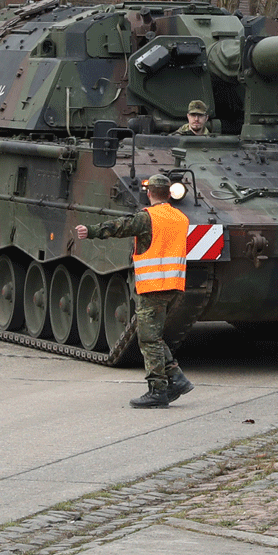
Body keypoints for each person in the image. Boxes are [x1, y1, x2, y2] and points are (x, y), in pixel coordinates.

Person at [75, 174, 193, 408]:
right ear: (169, 194)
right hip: (175, 286)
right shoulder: (181, 217)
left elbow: (120, 227)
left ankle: (158, 390)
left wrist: (90, 231)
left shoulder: (148, 218)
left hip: (152, 287)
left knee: (148, 339)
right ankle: (177, 379)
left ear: (149, 193)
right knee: (154, 335)